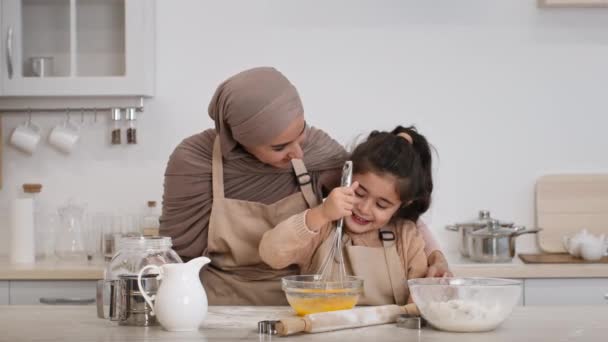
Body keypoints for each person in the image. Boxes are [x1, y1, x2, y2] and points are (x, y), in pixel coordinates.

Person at [160, 67, 450, 305]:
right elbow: (174, 256)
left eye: (301, 133)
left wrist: (434, 259)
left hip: (296, 308)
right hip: (219, 308)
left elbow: (391, 206)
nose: (298, 152)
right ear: (240, 139)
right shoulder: (194, 163)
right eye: (280, 147)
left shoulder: (319, 151)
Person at [259, 126, 440, 305]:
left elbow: (421, 299)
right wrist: (320, 214)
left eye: (382, 204)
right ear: (346, 177)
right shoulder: (322, 227)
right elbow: (271, 253)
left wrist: (423, 295)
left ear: (403, 204)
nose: (364, 208)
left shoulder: (407, 238)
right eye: (359, 193)